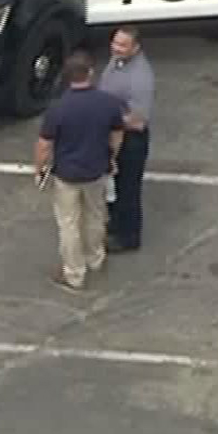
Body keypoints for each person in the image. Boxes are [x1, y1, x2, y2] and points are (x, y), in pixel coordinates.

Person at [34, 51, 126, 292]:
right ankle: (96, 258)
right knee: (96, 215)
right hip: (96, 170)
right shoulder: (107, 103)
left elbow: (44, 145)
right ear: (90, 73)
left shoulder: (58, 108)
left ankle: (74, 274)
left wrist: (39, 169)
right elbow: (117, 134)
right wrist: (111, 156)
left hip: (67, 174)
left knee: (69, 224)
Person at [99, 25, 154, 253]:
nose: (116, 48)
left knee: (128, 189)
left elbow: (138, 121)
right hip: (112, 133)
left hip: (131, 140)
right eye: (115, 42)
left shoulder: (140, 77)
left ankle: (129, 237)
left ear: (136, 48)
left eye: (122, 45)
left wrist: (109, 118)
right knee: (113, 185)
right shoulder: (117, 62)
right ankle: (116, 224)